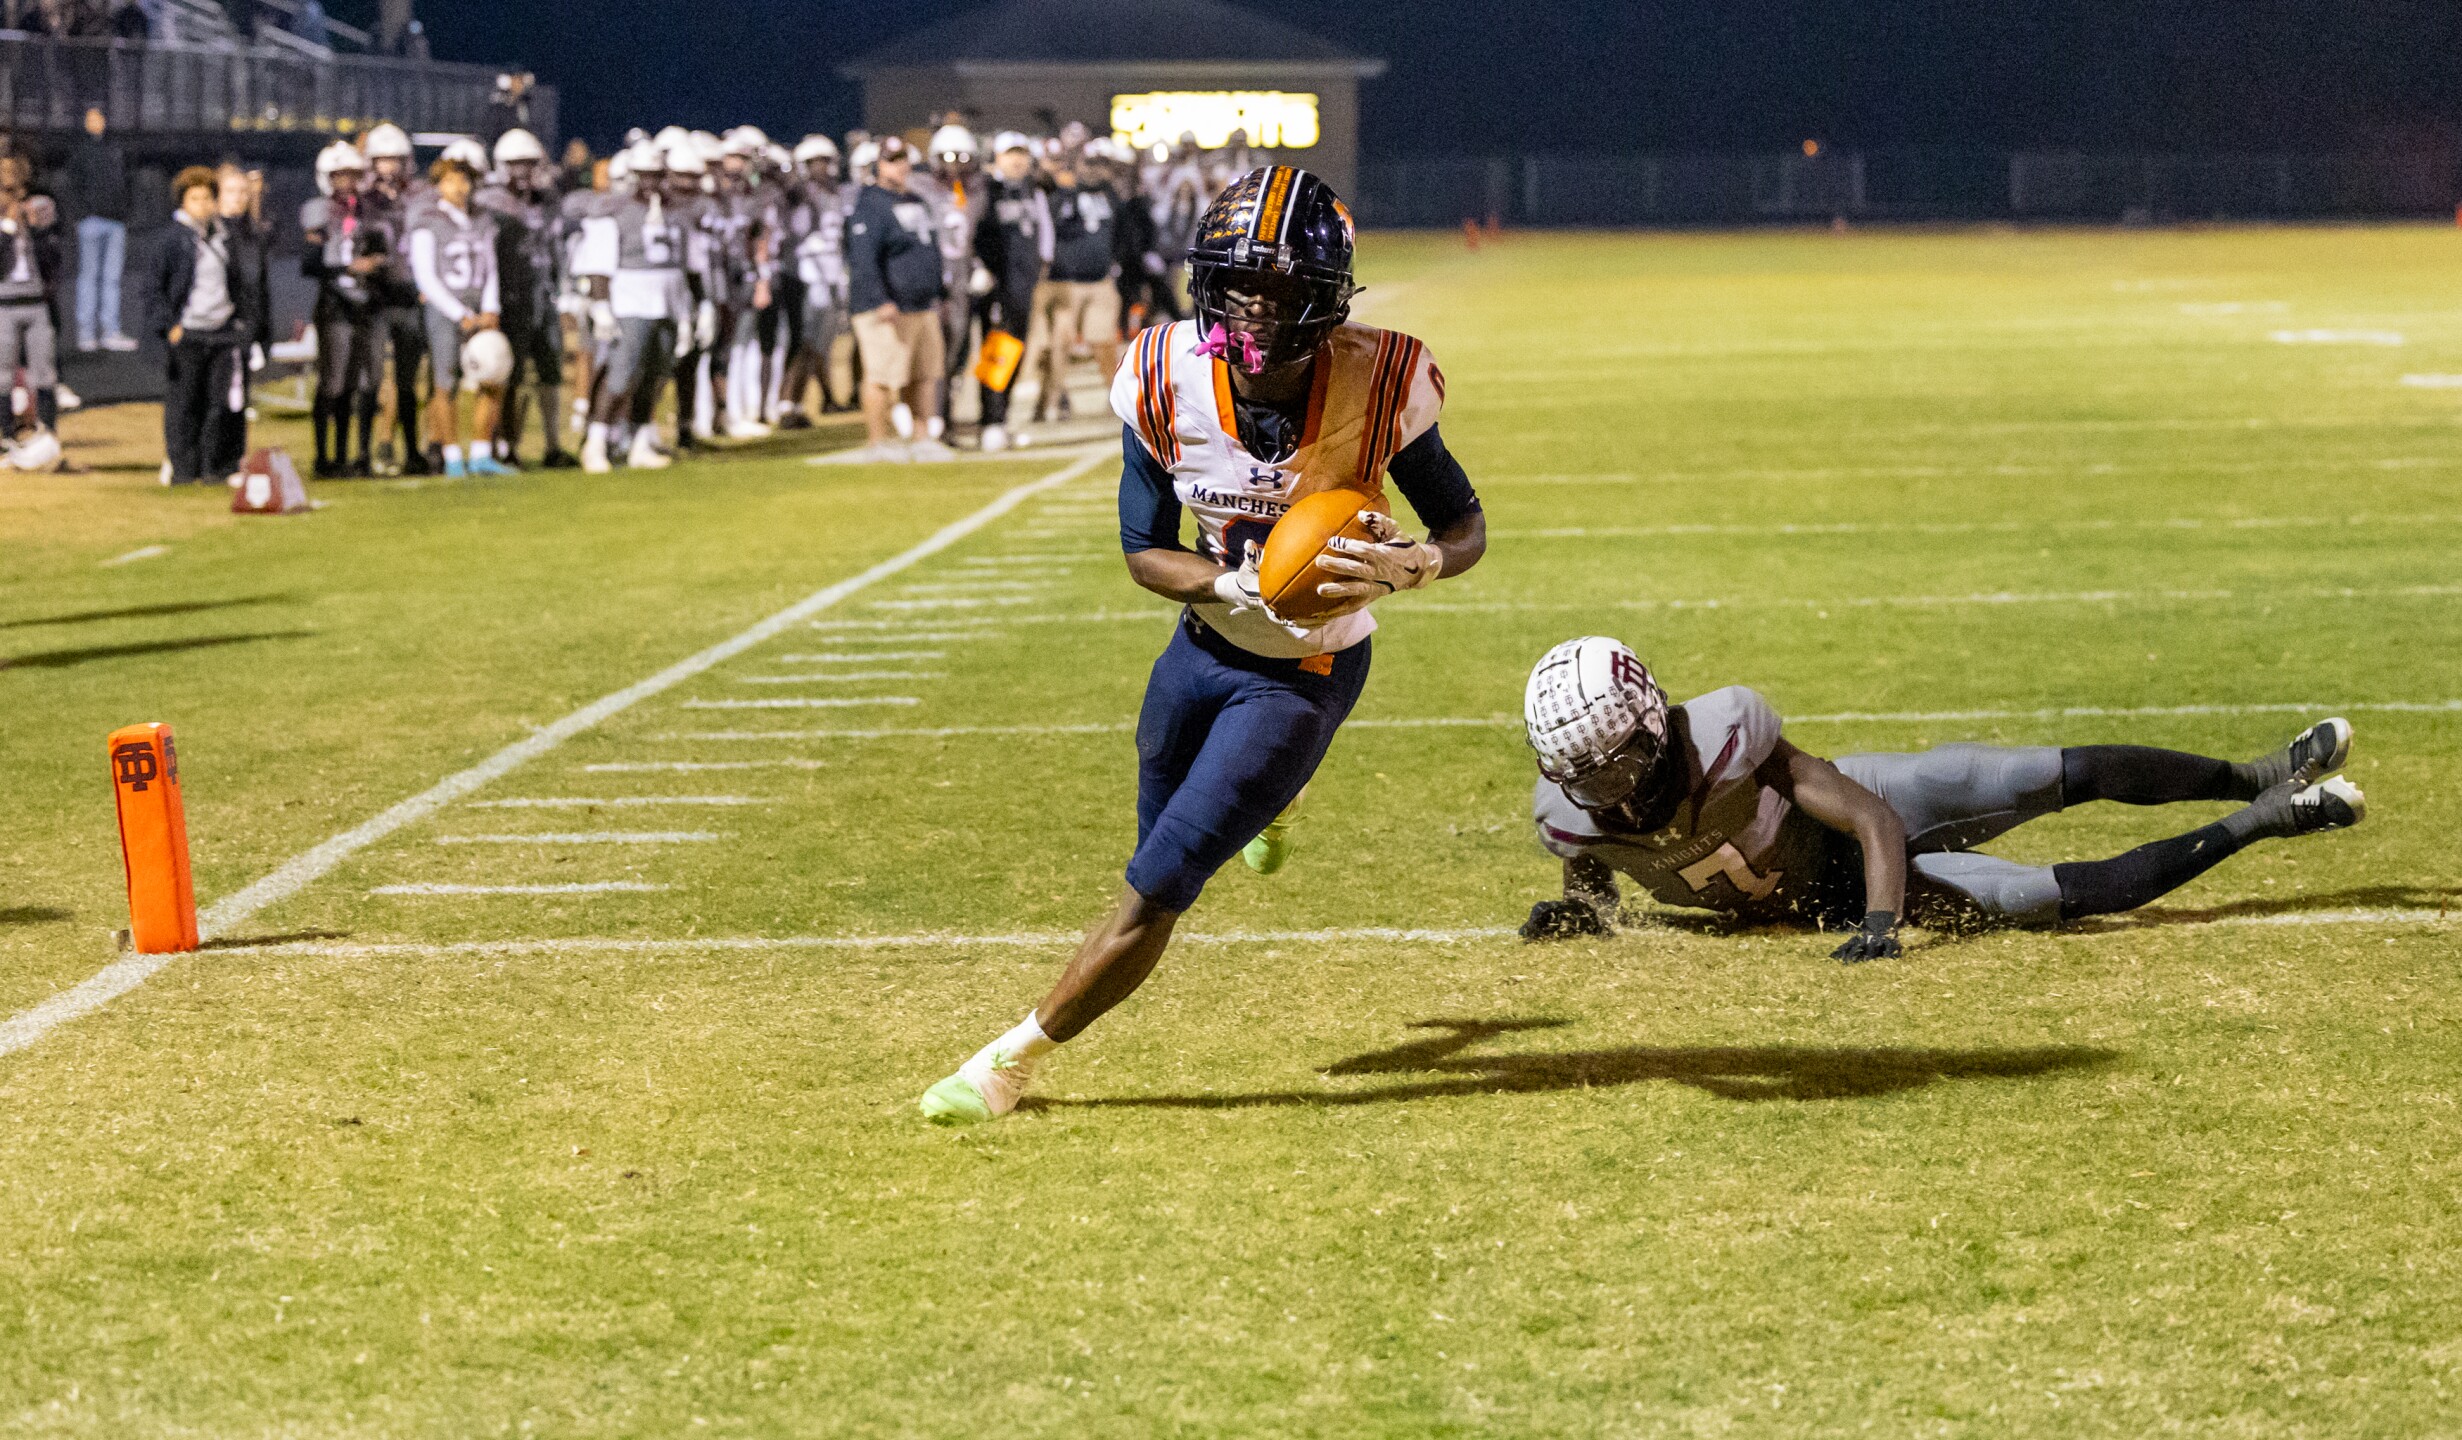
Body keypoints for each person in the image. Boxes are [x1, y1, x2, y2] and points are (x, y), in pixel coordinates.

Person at [919, 166, 1489, 1123]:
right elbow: (1145, 553)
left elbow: (1465, 524)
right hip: (1199, 646)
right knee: (1151, 847)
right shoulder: (1163, 374)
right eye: (1238, 285)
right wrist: (1234, 580)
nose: (1256, 309)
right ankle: (1278, 800)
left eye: (1280, 288)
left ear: (1327, 295)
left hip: (1305, 670)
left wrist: (1422, 563)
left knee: (1159, 887)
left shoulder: (1380, 379)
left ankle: (1003, 1067)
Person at [1516, 637, 2368, 953]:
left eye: (1617, 763)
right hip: (1836, 896)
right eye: (1583, 774)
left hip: (1865, 814)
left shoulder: (1727, 737)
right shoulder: (1570, 819)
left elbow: (1871, 817)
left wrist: (1884, 925)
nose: (1606, 790)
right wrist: (1583, 912)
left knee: (2030, 775)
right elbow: (1592, 870)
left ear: (1653, 726)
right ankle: (2265, 818)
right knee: (2045, 899)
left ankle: (2255, 773)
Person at [573, 139, 693, 473]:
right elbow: (599, 264)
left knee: (654, 378)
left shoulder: (674, 212)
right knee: (620, 377)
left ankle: (640, 442)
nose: (651, 182)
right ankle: (596, 441)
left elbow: (681, 266)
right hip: (630, 301)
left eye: (656, 174)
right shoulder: (614, 210)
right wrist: (601, 306)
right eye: (645, 175)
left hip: (666, 302)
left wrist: (686, 313)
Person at [148, 166, 257, 486]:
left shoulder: (225, 236)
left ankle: (215, 468)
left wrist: (241, 323)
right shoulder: (171, 239)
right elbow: (154, 288)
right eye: (194, 198)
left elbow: (241, 282)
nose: (202, 205)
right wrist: (170, 325)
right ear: (182, 202)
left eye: (207, 198)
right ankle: (183, 468)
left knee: (219, 403)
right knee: (184, 404)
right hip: (189, 332)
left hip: (222, 331)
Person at [843, 136, 950, 461]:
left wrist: (937, 292)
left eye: (903, 158)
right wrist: (880, 299)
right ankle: (878, 440)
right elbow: (861, 259)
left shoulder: (916, 200)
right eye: (891, 159)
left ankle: (921, 436)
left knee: (924, 374)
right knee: (882, 376)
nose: (899, 165)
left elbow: (928, 249)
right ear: (876, 164)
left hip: (920, 304)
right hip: (886, 306)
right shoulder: (869, 204)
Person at [476, 126, 578, 468]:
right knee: (511, 374)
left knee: (551, 372)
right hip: (511, 299)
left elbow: (558, 249)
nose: (524, 172)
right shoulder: (490, 203)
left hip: (544, 297)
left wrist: (564, 293)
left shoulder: (548, 201)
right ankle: (506, 445)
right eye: (516, 164)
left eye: (529, 163)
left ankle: (552, 444)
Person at [405, 155, 510, 477]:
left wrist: (492, 306)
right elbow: (425, 275)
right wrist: (458, 313)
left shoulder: (482, 220)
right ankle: (451, 456)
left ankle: (480, 452)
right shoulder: (428, 220)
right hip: (445, 310)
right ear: (438, 184)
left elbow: (490, 267)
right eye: (450, 180)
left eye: (463, 180)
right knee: (445, 381)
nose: (458, 187)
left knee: (493, 375)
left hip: (480, 307)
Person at [301, 141, 393, 477]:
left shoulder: (371, 211)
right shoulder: (319, 212)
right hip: (335, 304)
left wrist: (375, 263)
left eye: (354, 175)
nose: (348, 182)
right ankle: (325, 457)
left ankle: (360, 454)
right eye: (340, 176)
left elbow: (385, 251)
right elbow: (309, 264)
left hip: (370, 303)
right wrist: (345, 269)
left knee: (368, 382)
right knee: (335, 383)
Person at [1024, 145, 1121, 426]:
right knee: (1056, 346)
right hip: (1064, 281)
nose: (1094, 169)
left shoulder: (1109, 194)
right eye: (1089, 163)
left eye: (1099, 163)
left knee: (1104, 343)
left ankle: (1119, 400)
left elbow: (1120, 231)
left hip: (1100, 280)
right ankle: (1051, 401)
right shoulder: (1059, 193)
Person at [968, 132, 1047, 454]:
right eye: (1010, 154)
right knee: (997, 350)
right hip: (996, 284)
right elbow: (970, 231)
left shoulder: (1031, 189)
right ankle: (991, 421)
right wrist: (979, 266)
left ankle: (1002, 418)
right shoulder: (986, 189)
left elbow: (1043, 233)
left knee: (1016, 350)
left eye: (1022, 153)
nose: (1017, 160)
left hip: (1023, 285)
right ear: (997, 157)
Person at [360, 121, 427, 475]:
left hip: (409, 294)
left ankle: (412, 448)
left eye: (395, 159)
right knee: (372, 378)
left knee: (407, 378)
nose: (389, 167)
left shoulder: (419, 195)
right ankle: (371, 449)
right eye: (382, 159)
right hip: (374, 297)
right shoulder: (360, 201)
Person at [0, 154, 71, 471]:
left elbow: (55, 255)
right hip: (4, 304)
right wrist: (7, 228)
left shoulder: (38, 205)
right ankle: (4, 445)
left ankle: (49, 442)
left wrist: (41, 229)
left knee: (45, 374)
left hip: (36, 302)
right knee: (1, 377)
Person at [206, 162, 272, 483]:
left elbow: (259, 287)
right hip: (217, 328)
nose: (238, 198)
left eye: (243, 192)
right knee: (215, 397)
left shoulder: (251, 235)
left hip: (245, 328)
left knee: (238, 398)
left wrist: (261, 332)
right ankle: (209, 461)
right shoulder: (211, 234)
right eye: (231, 192)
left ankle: (234, 459)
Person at [776, 133, 846, 425]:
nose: (820, 168)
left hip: (831, 272)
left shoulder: (836, 195)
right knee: (805, 343)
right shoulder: (798, 195)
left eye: (824, 161)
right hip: (806, 275)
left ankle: (800, 405)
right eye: (813, 162)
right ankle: (787, 403)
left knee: (820, 344)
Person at [65, 107, 136, 353]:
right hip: (91, 221)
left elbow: (127, 182)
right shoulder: (80, 151)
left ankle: (110, 331)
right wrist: (80, 215)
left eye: (99, 118)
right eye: (90, 119)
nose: (95, 123)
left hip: (115, 221)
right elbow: (72, 185)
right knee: (89, 277)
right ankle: (86, 334)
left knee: (112, 279)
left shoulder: (115, 148)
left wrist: (125, 211)